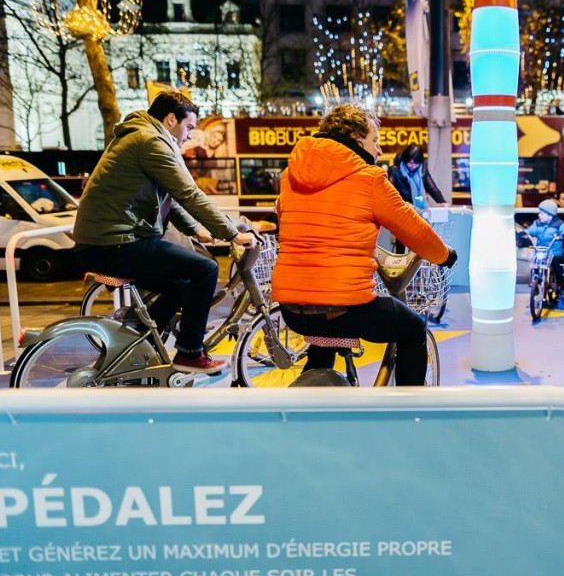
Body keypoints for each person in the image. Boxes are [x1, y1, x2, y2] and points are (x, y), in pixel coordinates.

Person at [272, 104, 458, 386]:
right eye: (375, 140)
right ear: (356, 138)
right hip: (345, 306)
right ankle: (411, 407)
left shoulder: (290, 176)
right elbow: (414, 229)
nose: (379, 150)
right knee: (412, 329)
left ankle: (308, 397)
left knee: (323, 334)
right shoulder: (369, 178)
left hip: (291, 308)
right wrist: (444, 255)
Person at [72, 91, 255, 374]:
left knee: (182, 284)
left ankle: (137, 341)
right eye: (189, 127)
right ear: (171, 120)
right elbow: (189, 193)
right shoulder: (151, 141)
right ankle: (190, 353)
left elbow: (171, 198)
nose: (190, 136)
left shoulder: (140, 136)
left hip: (106, 241)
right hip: (114, 243)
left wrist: (196, 230)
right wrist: (232, 235)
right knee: (206, 269)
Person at [522, 198, 564, 309]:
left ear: (550, 215)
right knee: (534, 265)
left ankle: (561, 288)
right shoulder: (537, 223)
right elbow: (531, 230)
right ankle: (535, 287)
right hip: (541, 251)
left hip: (554, 253)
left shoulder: (559, 224)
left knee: (558, 268)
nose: (539, 215)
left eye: (542, 213)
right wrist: (523, 233)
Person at [387, 144, 447, 211]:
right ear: (405, 160)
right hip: (402, 210)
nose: (413, 166)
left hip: (418, 210)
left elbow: (432, 188)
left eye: (416, 163)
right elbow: (389, 193)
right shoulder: (395, 171)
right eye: (410, 163)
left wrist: (442, 202)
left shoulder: (422, 170)